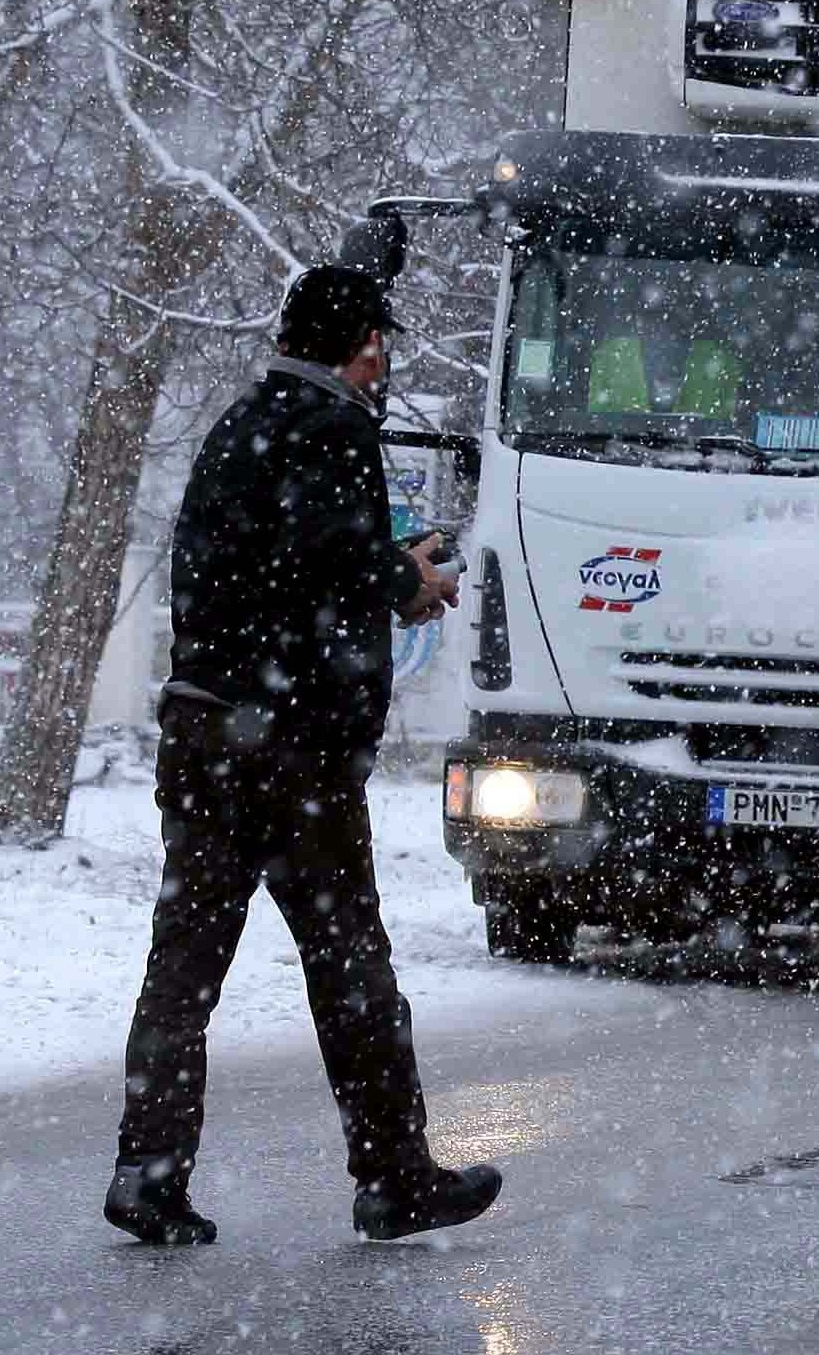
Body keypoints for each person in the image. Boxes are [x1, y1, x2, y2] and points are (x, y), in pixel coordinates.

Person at [107, 265, 499, 1247]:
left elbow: (239, 570)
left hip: (203, 732)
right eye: (381, 344)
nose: (384, 361)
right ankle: (395, 1178)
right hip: (290, 756)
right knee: (350, 964)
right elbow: (320, 556)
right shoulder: (331, 428)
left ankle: (147, 1174)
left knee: (184, 963)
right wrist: (401, 578)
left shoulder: (240, 425)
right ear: (364, 343)